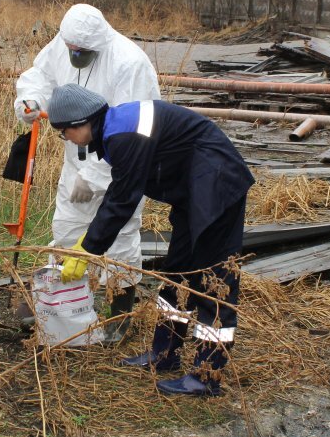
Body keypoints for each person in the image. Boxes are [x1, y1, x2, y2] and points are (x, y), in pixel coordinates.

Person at [45, 84, 254, 396]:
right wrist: (87, 246)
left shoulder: (124, 133)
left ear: (79, 124)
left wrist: (87, 248)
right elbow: (122, 193)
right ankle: (164, 353)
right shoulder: (116, 127)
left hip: (217, 186)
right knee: (177, 272)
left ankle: (206, 376)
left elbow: (122, 199)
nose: (67, 140)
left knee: (214, 280)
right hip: (193, 192)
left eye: (64, 133)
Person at [14, 4, 160, 340]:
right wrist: (31, 100)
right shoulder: (63, 44)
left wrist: (95, 176)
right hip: (74, 157)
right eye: (71, 50)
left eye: (82, 52)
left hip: (119, 166)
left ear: (97, 42)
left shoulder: (129, 62)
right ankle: (60, 309)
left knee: (120, 236)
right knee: (66, 229)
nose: (74, 55)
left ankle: (119, 313)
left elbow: (135, 133)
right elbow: (41, 74)